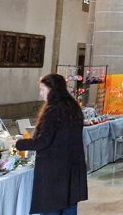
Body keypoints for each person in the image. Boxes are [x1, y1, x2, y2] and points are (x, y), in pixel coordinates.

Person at [15, 74, 87, 214]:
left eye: (42, 89)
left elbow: (43, 141)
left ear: (52, 90)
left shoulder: (53, 110)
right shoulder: (73, 107)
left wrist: (18, 143)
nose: (40, 93)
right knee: (69, 208)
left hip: (54, 173)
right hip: (72, 168)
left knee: (51, 209)